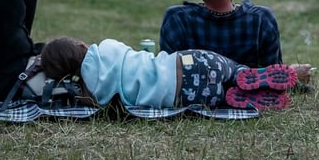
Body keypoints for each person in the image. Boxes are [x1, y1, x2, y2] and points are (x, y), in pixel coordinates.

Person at [39, 37, 299, 110]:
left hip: (183, 94)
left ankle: (237, 96)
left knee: (218, 96)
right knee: (231, 69)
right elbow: (126, 52)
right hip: (188, 62)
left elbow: (93, 103)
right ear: (83, 45)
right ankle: (252, 75)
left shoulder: (94, 92)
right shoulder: (106, 46)